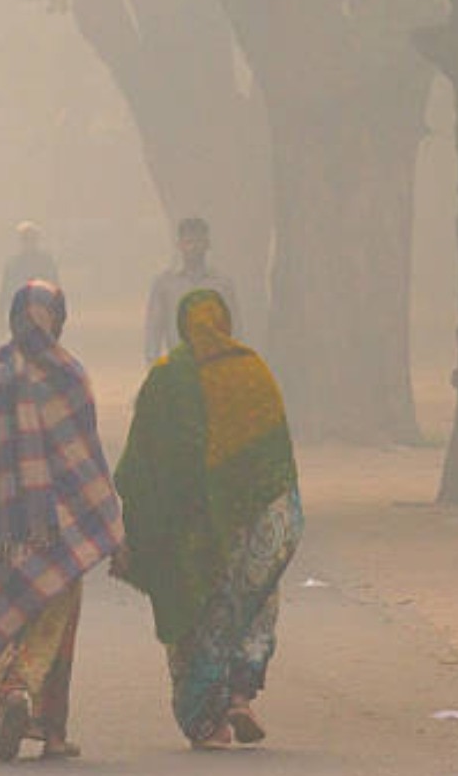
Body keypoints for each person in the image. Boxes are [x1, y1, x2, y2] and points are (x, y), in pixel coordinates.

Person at [0, 281, 124, 762]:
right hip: (60, 534)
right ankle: (50, 728)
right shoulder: (69, 376)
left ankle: (9, 694)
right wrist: (110, 521)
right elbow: (88, 459)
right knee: (56, 630)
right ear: (58, 319)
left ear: (13, 318)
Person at [112, 289, 302, 750]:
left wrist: (134, 529)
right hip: (251, 523)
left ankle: (206, 721)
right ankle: (240, 696)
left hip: (189, 534)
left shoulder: (165, 378)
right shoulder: (252, 371)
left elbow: (140, 465)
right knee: (251, 608)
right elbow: (277, 458)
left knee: (197, 616)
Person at [145, 217, 241, 365]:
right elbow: (154, 329)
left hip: (214, 364)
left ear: (208, 244)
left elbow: (234, 328)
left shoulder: (222, 285)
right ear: (180, 245)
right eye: (189, 242)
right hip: (179, 365)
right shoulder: (165, 284)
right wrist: (153, 367)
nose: (194, 247)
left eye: (199, 241)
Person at [0, 222, 59, 325]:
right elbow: (5, 291)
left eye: (32, 239)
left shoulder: (46, 262)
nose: (29, 243)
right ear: (21, 241)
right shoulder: (13, 263)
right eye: (26, 239)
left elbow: (55, 287)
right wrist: (1, 318)